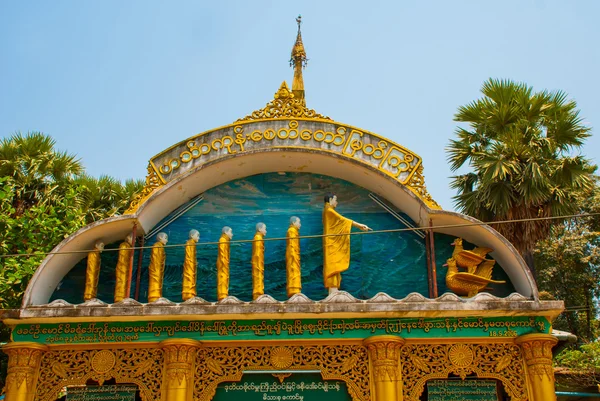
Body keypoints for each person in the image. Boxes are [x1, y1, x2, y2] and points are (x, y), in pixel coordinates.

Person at [322, 193, 370, 294]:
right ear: (330, 200)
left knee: (335, 266)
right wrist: (359, 225)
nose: (337, 202)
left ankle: (334, 289)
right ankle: (332, 289)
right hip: (331, 243)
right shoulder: (329, 210)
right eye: (335, 200)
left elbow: (341, 221)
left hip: (333, 242)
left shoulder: (329, 210)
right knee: (333, 265)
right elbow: (342, 220)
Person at [147, 232, 168, 302]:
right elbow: (156, 262)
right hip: (156, 270)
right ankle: (154, 295)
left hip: (158, 271)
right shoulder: (157, 246)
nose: (167, 240)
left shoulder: (160, 246)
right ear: (160, 238)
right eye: (165, 238)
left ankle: (156, 295)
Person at [114, 234, 133, 302]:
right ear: (128, 238)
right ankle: (119, 297)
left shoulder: (128, 247)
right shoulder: (124, 246)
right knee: (121, 281)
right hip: (122, 269)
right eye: (133, 238)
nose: (135, 240)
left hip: (125, 269)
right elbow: (122, 260)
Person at [182, 229, 200, 301]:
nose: (199, 238)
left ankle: (190, 293)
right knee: (189, 277)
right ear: (192, 235)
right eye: (198, 236)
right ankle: (188, 293)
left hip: (191, 266)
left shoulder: (192, 244)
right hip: (189, 266)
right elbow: (189, 258)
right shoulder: (190, 243)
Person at [286, 216, 302, 297]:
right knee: (293, 271)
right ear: (293, 223)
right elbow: (292, 245)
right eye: (299, 222)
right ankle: (293, 289)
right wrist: (293, 256)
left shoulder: (294, 231)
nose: (300, 225)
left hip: (295, 254)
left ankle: (295, 289)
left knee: (295, 272)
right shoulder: (292, 230)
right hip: (293, 256)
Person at [252, 223, 267, 300]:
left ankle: (259, 292)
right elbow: (257, 254)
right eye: (265, 229)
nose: (266, 231)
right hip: (257, 263)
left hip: (259, 262)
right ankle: (257, 294)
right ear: (259, 229)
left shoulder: (259, 237)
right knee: (258, 277)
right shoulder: (258, 237)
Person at [217, 226, 233, 301]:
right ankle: (222, 295)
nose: (232, 234)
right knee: (222, 278)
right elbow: (222, 254)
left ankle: (224, 293)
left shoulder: (225, 240)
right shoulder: (222, 240)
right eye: (231, 232)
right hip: (223, 265)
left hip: (225, 264)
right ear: (226, 232)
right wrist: (224, 263)